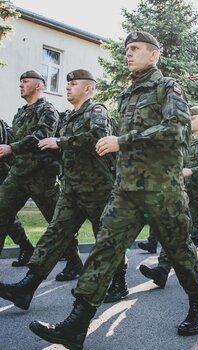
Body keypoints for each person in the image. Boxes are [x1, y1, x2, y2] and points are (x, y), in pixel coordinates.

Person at [29, 31, 198, 350]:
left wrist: (124, 141)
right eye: (127, 49)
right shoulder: (127, 95)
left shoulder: (168, 87)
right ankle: (77, 323)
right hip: (126, 189)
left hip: (162, 188)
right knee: (105, 248)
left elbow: (177, 129)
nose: (129, 53)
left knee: (180, 251)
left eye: (136, 49)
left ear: (153, 55)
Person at [0, 69, 128, 309]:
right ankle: (27, 288)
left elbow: (99, 135)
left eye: (74, 84)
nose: (68, 87)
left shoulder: (96, 110)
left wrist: (61, 142)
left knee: (107, 237)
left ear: (87, 89)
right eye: (67, 84)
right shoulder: (68, 116)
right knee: (54, 234)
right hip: (72, 189)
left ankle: (119, 282)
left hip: (97, 189)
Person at [139, 106, 198, 287]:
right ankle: (162, 270)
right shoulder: (185, 141)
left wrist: (193, 171)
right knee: (177, 231)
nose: (188, 121)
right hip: (189, 195)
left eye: (192, 118)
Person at [0, 70, 80, 276]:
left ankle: (74, 262)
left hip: (42, 176)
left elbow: (41, 136)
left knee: (57, 221)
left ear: (38, 86)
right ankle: (26, 248)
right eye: (20, 82)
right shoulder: (21, 113)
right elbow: (13, 136)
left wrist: (12, 148)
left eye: (25, 82)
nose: (20, 85)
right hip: (18, 174)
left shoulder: (48, 110)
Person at [0, 118, 32, 266]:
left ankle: (25, 246)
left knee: (5, 215)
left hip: (2, 174)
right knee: (6, 216)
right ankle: (26, 246)